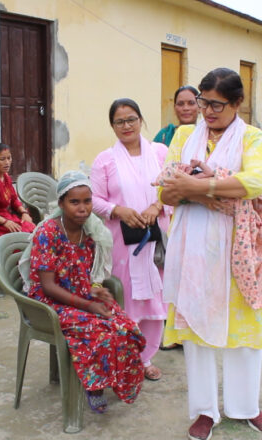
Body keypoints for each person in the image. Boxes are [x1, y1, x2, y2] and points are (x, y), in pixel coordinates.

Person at [158, 68, 262, 440]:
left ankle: (245, 405)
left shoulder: (251, 137)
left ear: (237, 104)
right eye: (203, 102)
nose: (207, 112)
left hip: (237, 248)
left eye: (216, 104)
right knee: (196, 329)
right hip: (193, 247)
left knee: (245, 328)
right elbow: (165, 193)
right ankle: (203, 411)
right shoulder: (184, 135)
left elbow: (253, 182)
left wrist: (196, 186)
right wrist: (203, 191)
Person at [19, 170, 146, 414]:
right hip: (49, 304)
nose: (82, 208)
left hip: (77, 295)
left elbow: (83, 275)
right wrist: (87, 305)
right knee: (100, 330)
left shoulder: (91, 231)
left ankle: (112, 378)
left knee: (124, 325)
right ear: (61, 204)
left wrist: (96, 290)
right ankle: (94, 386)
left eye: (87, 201)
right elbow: (48, 286)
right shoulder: (48, 233)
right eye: (74, 202)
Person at [91, 98, 170, 381]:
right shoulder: (105, 160)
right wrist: (118, 210)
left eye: (131, 119)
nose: (126, 126)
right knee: (127, 300)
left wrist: (156, 207)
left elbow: (172, 188)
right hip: (122, 243)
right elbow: (94, 200)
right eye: (119, 121)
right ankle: (125, 356)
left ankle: (146, 358)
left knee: (155, 299)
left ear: (141, 120)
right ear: (112, 126)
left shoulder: (160, 153)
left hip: (155, 238)